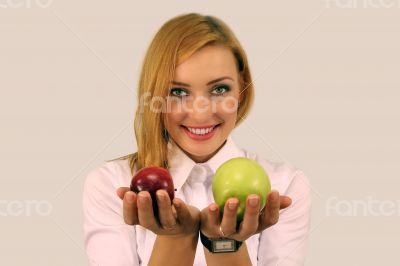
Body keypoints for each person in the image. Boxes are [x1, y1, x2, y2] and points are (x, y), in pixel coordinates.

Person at [83, 13, 311, 266]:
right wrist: (176, 239)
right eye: (178, 92)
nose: (200, 113)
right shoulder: (112, 185)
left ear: (242, 90)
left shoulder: (284, 185)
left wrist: (224, 245)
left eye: (219, 89)